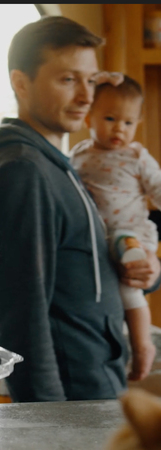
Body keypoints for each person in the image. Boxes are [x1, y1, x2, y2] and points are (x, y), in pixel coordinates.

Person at [0, 16, 161, 402]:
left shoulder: (66, 166)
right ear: (21, 83)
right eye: (68, 79)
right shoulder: (24, 170)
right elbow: (22, 315)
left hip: (98, 382)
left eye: (91, 80)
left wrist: (148, 271)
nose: (86, 97)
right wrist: (50, 424)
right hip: (71, 402)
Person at [70, 75, 158, 382]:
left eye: (128, 122)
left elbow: (158, 188)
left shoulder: (136, 156)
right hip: (100, 238)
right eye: (110, 119)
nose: (119, 128)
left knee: (128, 286)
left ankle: (142, 345)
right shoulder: (79, 154)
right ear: (90, 116)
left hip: (132, 233)